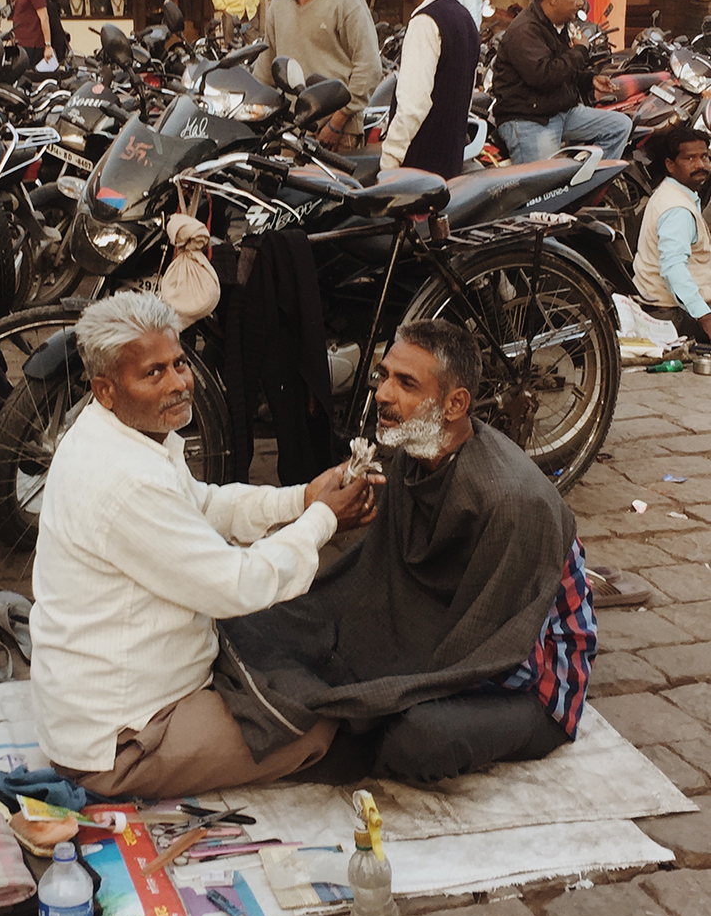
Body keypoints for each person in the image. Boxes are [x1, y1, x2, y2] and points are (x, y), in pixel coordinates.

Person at [216, 319, 596, 785]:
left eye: (405, 383)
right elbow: (382, 579)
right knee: (264, 622)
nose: (382, 394)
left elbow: (495, 647)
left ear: (456, 404)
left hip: (528, 684)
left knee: (417, 740)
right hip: (444, 641)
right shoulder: (412, 455)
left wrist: (382, 695)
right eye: (383, 376)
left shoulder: (515, 502)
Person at [29, 291, 377, 798]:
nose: (178, 384)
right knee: (320, 723)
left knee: (299, 659)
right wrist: (324, 519)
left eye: (179, 363)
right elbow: (237, 584)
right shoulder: (124, 480)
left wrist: (300, 500)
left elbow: (204, 505)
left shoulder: (122, 433)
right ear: (105, 390)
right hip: (118, 744)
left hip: (132, 698)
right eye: (154, 374)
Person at [253, 0, 382, 152]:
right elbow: (266, 66)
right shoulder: (278, 4)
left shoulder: (347, 2)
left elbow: (369, 67)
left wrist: (337, 122)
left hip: (337, 135)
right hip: (291, 131)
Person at [492, 0, 631, 164]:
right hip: (529, 119)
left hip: (562, 111)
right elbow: (545, 76)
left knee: (620, 125)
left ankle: (589, 191)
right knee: (545, 186)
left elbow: (564, 69)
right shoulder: (525, 30)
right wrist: (581, 50)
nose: (580, 2)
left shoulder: (559, 25)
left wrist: (589, 79)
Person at [379, 0, 480, 180]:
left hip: (419, 165)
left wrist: (389, 160)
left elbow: (413, 104)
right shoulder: (464, 18)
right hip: (449, 159)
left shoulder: (425, 21)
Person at [633, 128, 711, 342]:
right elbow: (673, 270)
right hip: (672, 314)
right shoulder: (677, 210)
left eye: (704, 156)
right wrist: (705, 318)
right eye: (690, 158)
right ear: (670, 165)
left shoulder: (674, 193)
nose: (701, 165)